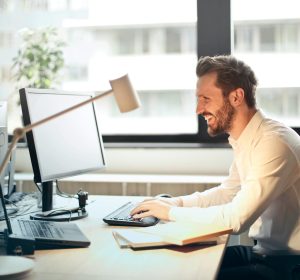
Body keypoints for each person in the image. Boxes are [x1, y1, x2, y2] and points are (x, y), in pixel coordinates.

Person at [131, 55, 300, 279]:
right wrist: (176, 202)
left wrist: (170, 213)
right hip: (265, 253)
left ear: (236, 97)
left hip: (288, 264)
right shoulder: (247, 138)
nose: (198, 109)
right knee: (177, 264)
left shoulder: (273, 142)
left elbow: (236, 219)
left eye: (206, 99)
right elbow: (228, 193)